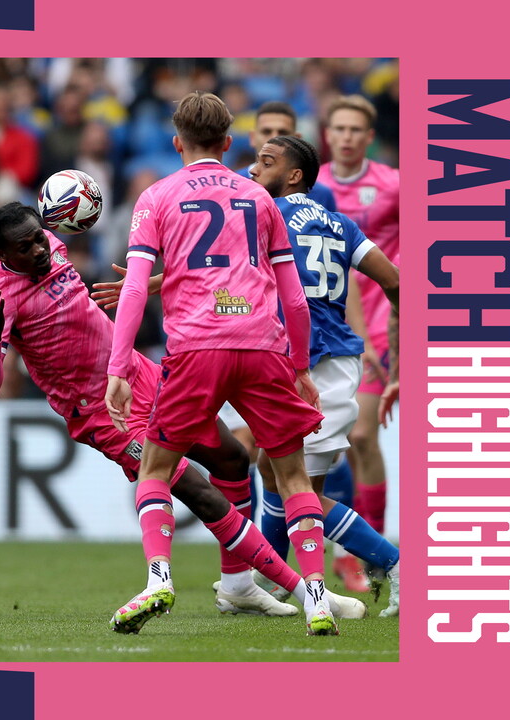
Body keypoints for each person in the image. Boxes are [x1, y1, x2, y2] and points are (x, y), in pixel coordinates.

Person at [0, 201, 366, 634]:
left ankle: (237, 585)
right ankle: (307, 594)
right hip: (102, 410)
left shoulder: (52, 243)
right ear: (5, 255)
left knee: (231, 458)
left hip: (138, 373)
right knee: (195, 489)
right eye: (27, 247)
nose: (41, 249)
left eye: (41, 237)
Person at [104, 92, 338, 636]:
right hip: (262, 348)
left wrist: (120, 367)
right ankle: (318, 599)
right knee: (294, 477)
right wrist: (300, 368)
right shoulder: (258, 196)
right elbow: (295, 298)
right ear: (229, 143)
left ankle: (159, 578)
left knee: (155, 470)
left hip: (196, 350)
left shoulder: (155, 196)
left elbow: (136, 287)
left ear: (176, 142)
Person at [249, 135, 400, 616]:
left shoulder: (264, 216)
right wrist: (401, 346)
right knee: (271, 472)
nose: (254, 170)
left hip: (311, 365)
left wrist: (152, 283)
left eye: (266, 162)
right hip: (328, 361)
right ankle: (265, 581)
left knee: (303, 493)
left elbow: (218, 271)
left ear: (294, 175)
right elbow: (395, 281)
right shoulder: (341, 223)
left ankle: (396, 566)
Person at [317, 94, 399, 545]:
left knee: (364, 435)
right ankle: (359, 549)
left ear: (368, 137)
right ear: (328, 136)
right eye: (339, 129)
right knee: (331, 446)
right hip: (329, 324)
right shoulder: (313, 182)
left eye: (355, 130)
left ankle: (376, 551)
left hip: (380, 321)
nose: (347, 137)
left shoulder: (394, 184)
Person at [237, 101, 337, 212]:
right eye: (267, 131)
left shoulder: (321, 194)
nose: (274, 139)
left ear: (297, 139)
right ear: (253, 137)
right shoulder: (235, 185)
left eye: (282, 132)